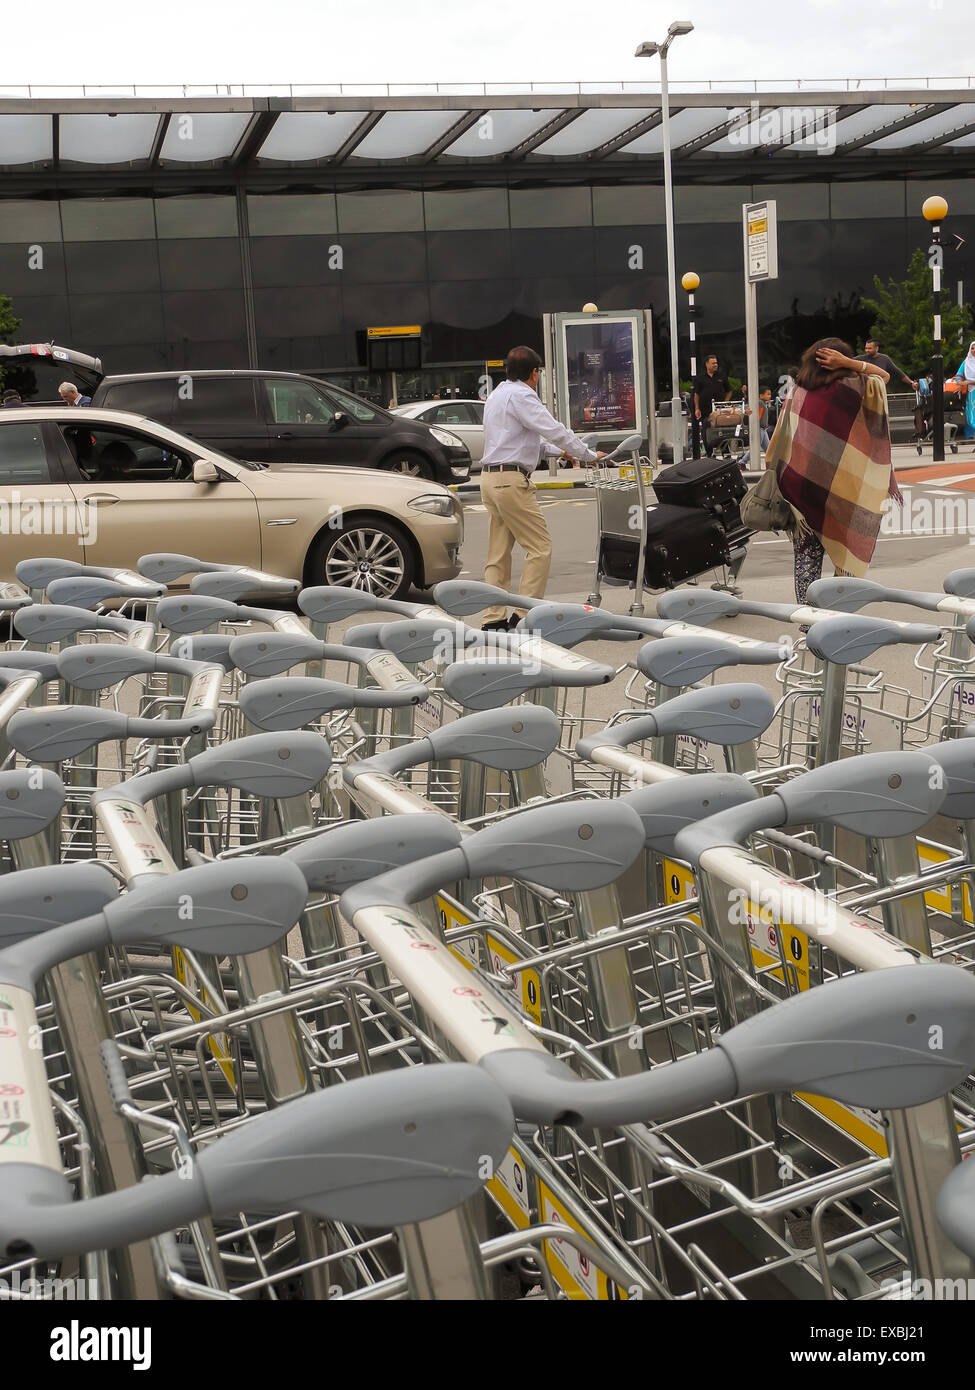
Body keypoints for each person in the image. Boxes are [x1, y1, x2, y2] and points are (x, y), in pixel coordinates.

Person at [765, 337, 900, 606]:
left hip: (799, 487)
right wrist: (851, 364)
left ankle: (807, 620)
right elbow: (884, 376)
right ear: (841, 360)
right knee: (845, 554)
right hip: (840, 491)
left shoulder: (796, 391)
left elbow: (781, 439)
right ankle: (837, 613)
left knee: (806, 556)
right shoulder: (855, 387)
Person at [479, 345, 605, 630]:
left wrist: (561, 453)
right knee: (539, 548)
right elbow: (554, 429)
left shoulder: (497, 395)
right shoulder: (523, 395)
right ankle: (525, 616)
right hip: (511, 482)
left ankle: (493, 618)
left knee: (497, 553)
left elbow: (519, 440)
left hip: (490, 479)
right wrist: (586, 454)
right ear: (534, 374)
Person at [692, 354, 731, 452]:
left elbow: (729, 390)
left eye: (716, 363)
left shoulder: (721, 376)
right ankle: (709, 452)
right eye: (713, 363)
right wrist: (697, 408)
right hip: (705, 410)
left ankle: (725, 451)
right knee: (706, 431)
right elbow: (696, 394)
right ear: (707, 364)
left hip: (719, 410)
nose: (715, 365)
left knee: (722, 430)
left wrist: (726, 402)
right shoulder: (700, 378)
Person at [739, 386, 774, 469]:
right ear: (761, 395)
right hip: (760, 428)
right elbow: (758, 416)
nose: (770, 396)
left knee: (768, 449)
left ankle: (772, 464)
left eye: (770, 394)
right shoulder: (760, 403)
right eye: (768, 394)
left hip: (763, 429)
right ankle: (742, 462)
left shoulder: (761, 403)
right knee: (756, 447)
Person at [951, 341, 975, 438]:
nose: (974, 350)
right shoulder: (966, 362)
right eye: (972, 348)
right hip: (971, 394)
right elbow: (959, 376)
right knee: (970, 418)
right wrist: (960, 384)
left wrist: (967, 383)